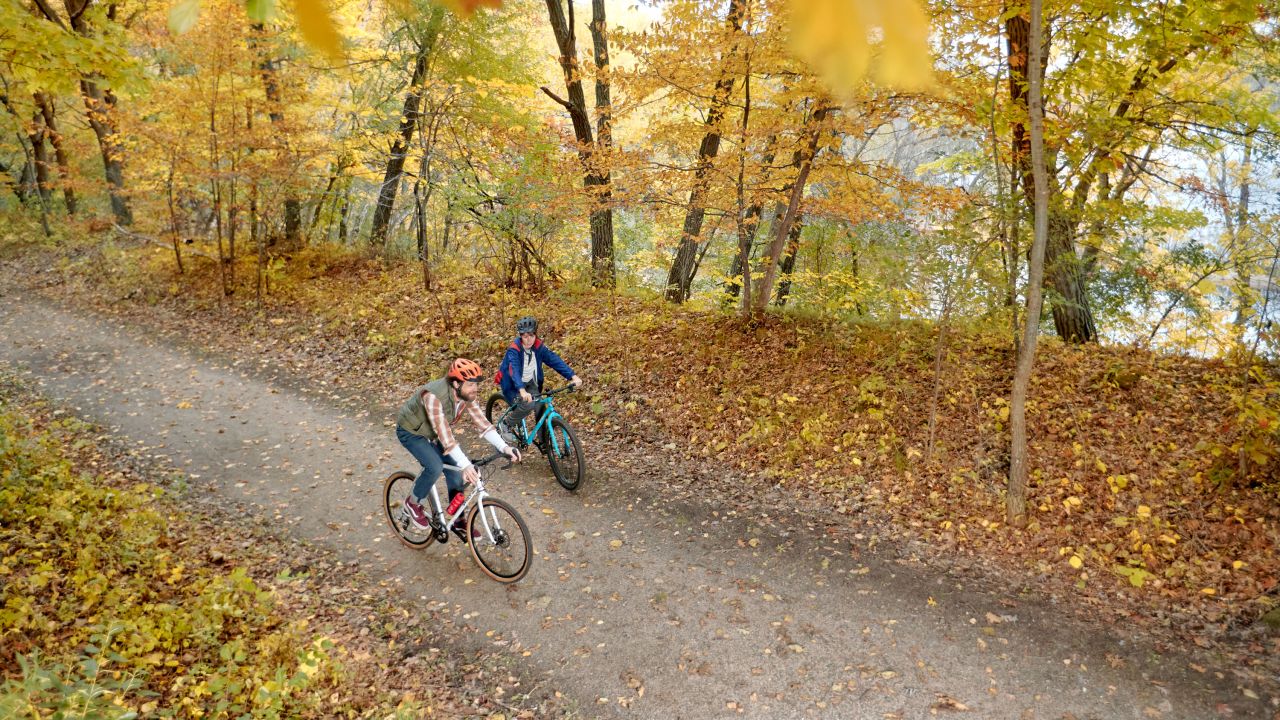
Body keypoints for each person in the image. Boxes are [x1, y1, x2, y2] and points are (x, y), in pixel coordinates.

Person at [396, 358, 521, 540]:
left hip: (433, 432)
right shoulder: (433, 396)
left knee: (455, 473)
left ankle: (458, 520)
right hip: (411, 431)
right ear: (456, 384)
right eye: (470, 384)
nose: (475, 389)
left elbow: (483, 424)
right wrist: (465, 465)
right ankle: (413, 503)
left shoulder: (465, 395)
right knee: (435, 466)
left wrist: (505, 447)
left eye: (476, 384)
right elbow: (446, 437)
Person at [495, 316, 583, 446]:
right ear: (520, 336)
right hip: (513, 385)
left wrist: (572, 376)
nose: (528, 339)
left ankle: (544, 442)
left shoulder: (538, 346)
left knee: (540, 405)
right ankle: (505, 424)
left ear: (535, 334)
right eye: (525, 336)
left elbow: (553, 360)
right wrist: (522, 390)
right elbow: (514, 370)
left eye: (531, 335)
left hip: (530, 382)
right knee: (527, 405)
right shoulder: (514, 350)